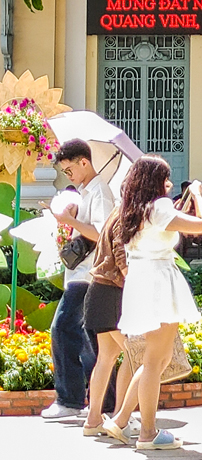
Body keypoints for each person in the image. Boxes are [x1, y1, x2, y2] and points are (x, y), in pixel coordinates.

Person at [102, 156, 202, 450]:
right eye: (165, 178)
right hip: (159, 282)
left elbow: (163, 227)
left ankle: (121, 419)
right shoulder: (159, 207)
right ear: (155, 182)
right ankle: (148, 433)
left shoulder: (134, 209)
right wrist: (197, 194)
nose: (170, 184)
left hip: (142, 280)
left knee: (157, 359)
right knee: (154, 361)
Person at [42, 140, 115, 421]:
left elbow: (102, 234)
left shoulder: (100, 192)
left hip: (88, 275)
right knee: (89, 341)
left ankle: (70, 399)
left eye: (69, 170)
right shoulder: (86, 192)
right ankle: (105, 402)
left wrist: (69, 221)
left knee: (62, 328)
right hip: (80, 274)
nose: (68, 176)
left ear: (84, 161)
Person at [81, 207, 133, 438]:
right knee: (135, 355)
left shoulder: (116, 212)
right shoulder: (125, 215)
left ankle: (94, 420)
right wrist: (134, 280)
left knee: (107, 357)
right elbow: (121, 254)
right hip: (113, 292)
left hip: (101, 291)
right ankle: (120, 418)